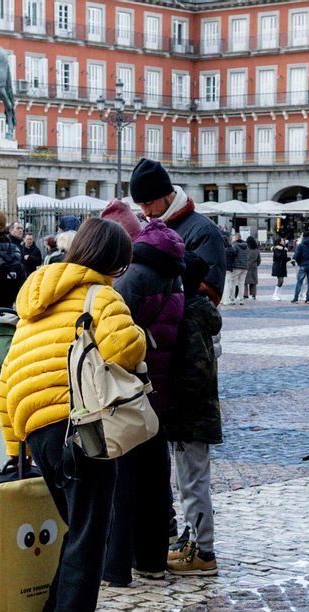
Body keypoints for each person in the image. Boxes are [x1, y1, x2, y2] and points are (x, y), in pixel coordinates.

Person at [0, 217, 146, 612]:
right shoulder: (102, 296)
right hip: (81, 428)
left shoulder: (34, 300)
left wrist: (12, 445)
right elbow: (126, 351)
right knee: (90, 532)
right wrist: (140, 334)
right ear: (115, 263)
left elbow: (9, 378)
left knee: (77, 527)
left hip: (37, 432)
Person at [105, 217, 184, 587]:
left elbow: (116, 340)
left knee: (123, 481)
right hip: (164, 390)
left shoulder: (131, 279)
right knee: (156, 479)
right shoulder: (175, 275)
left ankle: (117, 565)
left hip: (131, 389)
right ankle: (152, 560)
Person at [166, 252, 222, 576]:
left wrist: (175, 401)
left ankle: (204, 551)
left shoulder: (190, 315)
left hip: (193, 416)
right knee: (188, 481)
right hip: (196, 414)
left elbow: (194, 371)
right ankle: (193, 540)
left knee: (194, 482)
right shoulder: (198, 313)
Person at [129, 159, 226, 302]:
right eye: (140, 205)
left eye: (149, 203)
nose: (145, 212)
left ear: (167, 194)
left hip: (182, 320)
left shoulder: (204, 230)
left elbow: (210, 293)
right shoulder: (146, 228)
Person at [226, 232, 249, 305]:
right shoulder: (246, 246)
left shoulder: (234, 245)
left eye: (233, 237)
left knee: (233, 283)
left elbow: (234, 254)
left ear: (236, 238)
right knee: (241, 283)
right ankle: (241, 299)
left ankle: (232, 299)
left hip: (236, 266)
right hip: (245, 266)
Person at [270, 237, 289, 301]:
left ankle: (278, 294)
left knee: (282, 281)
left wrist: (289, 259)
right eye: (282, 240)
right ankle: (274, 294)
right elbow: (279, 256)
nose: (284, 241)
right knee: (280, 281)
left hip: (282, 266)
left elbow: (284, 258)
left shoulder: (284, 249)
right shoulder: (277, 249)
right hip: (278, 266)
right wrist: (284, 249)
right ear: (279, 242)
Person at [244, 236, 261, 301]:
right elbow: (259, 259)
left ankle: (245, 295)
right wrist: (256, 264)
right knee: (253, 282)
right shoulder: (257, 249)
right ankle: (253, 295)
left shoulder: (246, 249)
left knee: (245, 282)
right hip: (254, 266)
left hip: (246, 266)